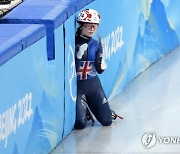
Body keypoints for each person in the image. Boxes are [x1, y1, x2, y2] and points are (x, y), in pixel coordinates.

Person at [74, 9, 112, 129]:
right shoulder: (73, 42)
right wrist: (78, 56)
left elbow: (99, 70)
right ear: (81, 25)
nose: (92, 29)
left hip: (94, 86)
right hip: (79, 89)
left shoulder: (96, 44)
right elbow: (71, 70)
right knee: (80, 124)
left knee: (107, 121)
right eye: (89, 25)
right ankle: (85, 110)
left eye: (95, 26)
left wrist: (101, 65)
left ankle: (90, 107)